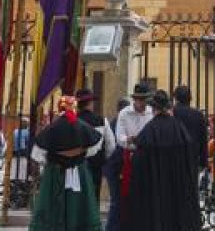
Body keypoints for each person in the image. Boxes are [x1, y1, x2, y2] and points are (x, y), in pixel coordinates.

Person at [126, 90, 202, 231]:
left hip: (155, 186)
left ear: (154, 109)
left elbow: (139, 161)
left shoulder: (150, 129)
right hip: (177, 184)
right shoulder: (179, 128)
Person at [28, 95, 104, 231]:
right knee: (79, 206)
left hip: (55, 172)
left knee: (51, 207)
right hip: (79, 171)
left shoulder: (51, 129)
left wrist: (55, 157)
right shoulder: (83, 127)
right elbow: (94, 148)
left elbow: (37, 155)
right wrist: (79, 153)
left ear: (59, 108)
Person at [105, 83, 154, 231]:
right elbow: (119, 137)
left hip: (144, 158)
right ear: (135, 99)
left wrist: (140, 140)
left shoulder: (151, 113)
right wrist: (130, 140)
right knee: (121, 199)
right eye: (139, 99)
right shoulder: (124, 114)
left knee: (143, 196)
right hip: (125, 159)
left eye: (144, 99)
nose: (142, 103)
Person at [75, 88, 115, 197]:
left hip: (75, 164)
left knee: (77, 196)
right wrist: (103, 159)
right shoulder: (101, 120)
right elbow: (111, 145)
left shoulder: (72, 120)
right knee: (93, 196)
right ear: (90, 103)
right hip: (95, 164)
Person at [172, 85, 208, 174]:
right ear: (190, 98)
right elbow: (203, 140)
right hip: (192, 157)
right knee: (191, 186)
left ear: (175, 98)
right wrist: (203, 162)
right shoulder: (198, 115)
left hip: (174, 157)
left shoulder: (172, 113)